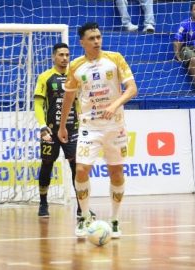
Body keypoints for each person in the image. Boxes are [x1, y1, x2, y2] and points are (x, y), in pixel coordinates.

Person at [57, 22, 137, 238]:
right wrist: (63, 125)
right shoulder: (75, 66)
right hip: (89, 127)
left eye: (99, 37)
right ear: (82, 42)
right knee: (81, 170)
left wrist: (113, 104)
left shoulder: (115, 58)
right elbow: (68, 97)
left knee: (116, 173)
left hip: (115, 127)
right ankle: (84, 217)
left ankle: (115, 220)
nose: (97, 41)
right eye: (92, 38)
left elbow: (132, 89)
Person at [34, 43, 95, 219]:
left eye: (67, 55)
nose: (64, 58)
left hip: (73, 130)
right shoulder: (45, 77)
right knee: (47, 165)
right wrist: (42, 126)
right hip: (51, 131)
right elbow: (38, 104)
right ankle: (43, 203)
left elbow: (80, 102)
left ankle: (81, 207)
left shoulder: (75, 76)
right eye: (61, 55)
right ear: (54, 57)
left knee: (78, 167)